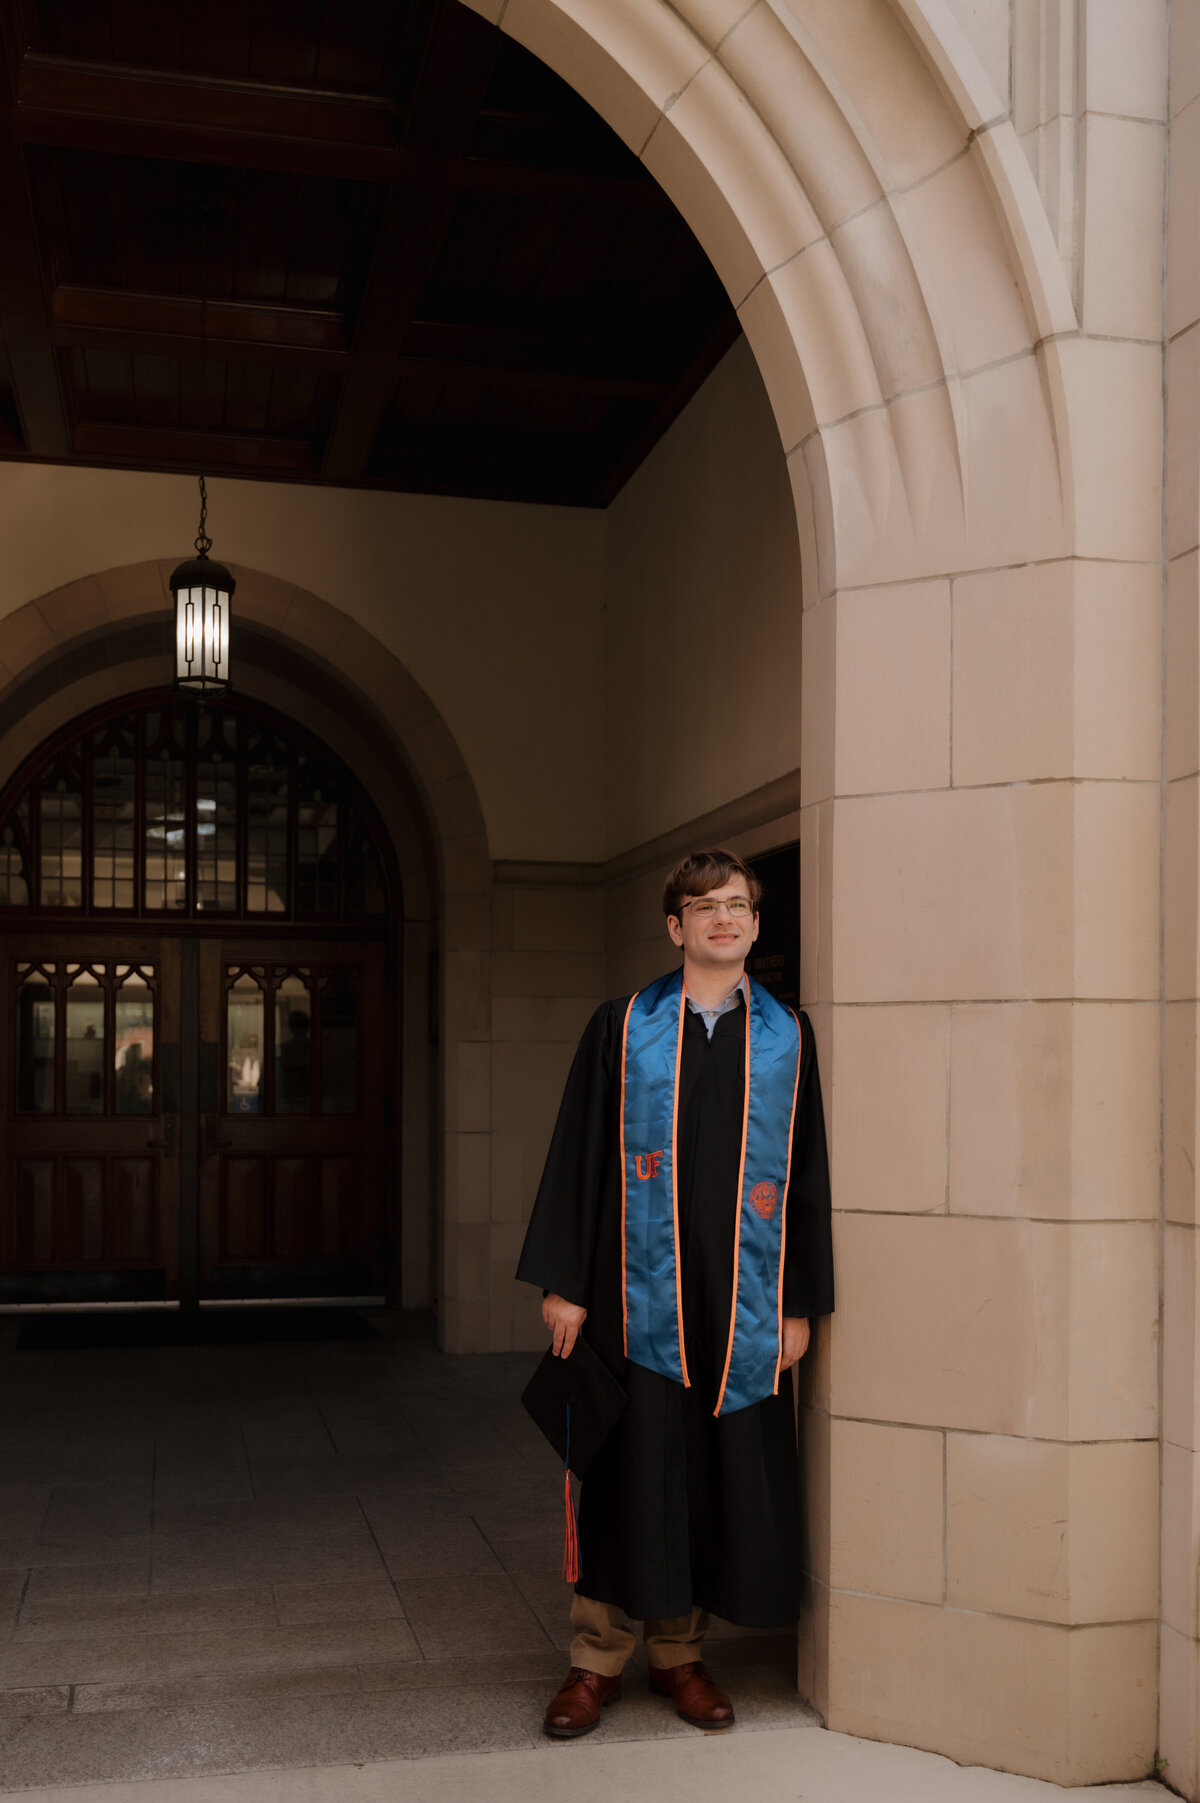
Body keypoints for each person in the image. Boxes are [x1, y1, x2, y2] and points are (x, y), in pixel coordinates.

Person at [517, 848, 834, 1739]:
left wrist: (797, 1301)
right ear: (675, 926)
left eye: (738, 906)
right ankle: (594, 1661)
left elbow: (806, 1174)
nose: (724, 919)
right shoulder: (622, 1027)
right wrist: (566, 1284)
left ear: (757, 924)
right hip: (632, 1293)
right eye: (705, 907)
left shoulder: (788, 1037)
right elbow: (579, 1153)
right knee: (627, 1468)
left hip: (737, 1299)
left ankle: (680, 1654)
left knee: (703, 1472)